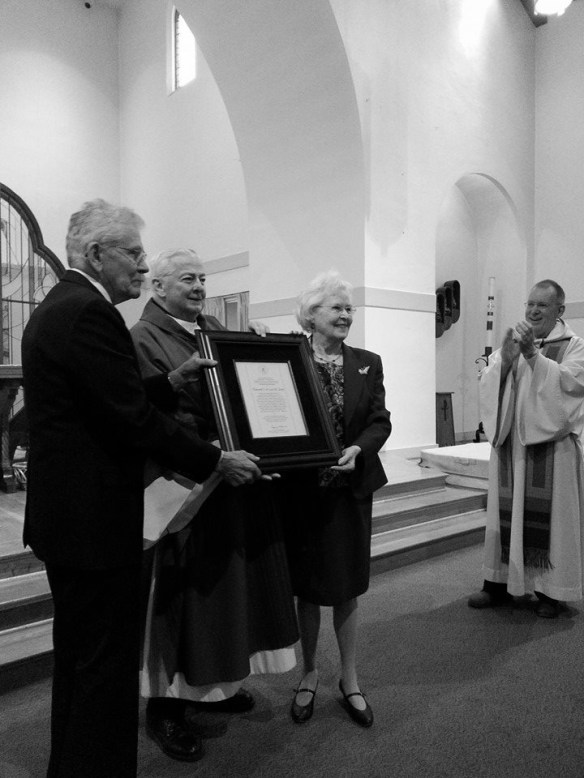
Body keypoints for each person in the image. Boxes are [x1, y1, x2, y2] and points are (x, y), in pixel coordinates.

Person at [22, 200, 263, 778]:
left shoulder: (61, 306)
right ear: (97, 254)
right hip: (94, 526)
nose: (141, 263)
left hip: (70, 521)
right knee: (103, 668)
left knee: (81, 660)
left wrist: (165, 383)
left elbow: (101, 403)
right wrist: (216, 459)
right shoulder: (91, 313)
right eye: (132, 252)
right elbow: (127, 422)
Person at [130, 248, 299, 761]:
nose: (201, 286)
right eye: (188, 279)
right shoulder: (142, 338)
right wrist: (215, 454)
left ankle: (215, 688)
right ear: (158, 287)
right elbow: (149, 418)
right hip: (187, 486)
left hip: (233, 481)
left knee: (228, 593)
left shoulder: (213, 331)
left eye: (204, 278)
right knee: (180, 600)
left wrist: (262, 354)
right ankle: (164, 706)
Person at [279, 270, 391, 728]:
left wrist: (358, 449)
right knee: (307, 588)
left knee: (346, 588)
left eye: (349, 308)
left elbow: (380, 421)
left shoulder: (368, 360)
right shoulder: (287, 358)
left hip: (350, 491)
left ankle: (349, 678)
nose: (346, 315)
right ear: (312, 314)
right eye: (336, 307)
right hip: (302, 492)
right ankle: (308, 674)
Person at [468, 280, 584, 618]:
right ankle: (499, 584)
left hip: (552, 451)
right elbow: (489, 381)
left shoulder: (575, 346)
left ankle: (551, 592)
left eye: (542, 306)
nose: (533, 311)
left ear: (559, 310)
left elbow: (571, 386)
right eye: (530, 304)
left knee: (554, 522)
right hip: (510, 448)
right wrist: (504, 358)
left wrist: (534, 357)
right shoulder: (517, 340)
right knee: (504, 516)